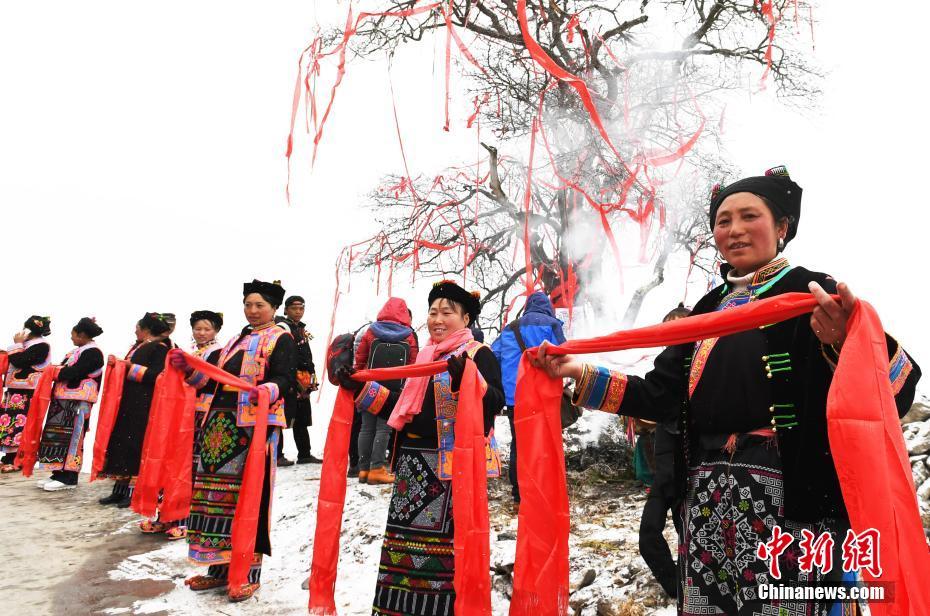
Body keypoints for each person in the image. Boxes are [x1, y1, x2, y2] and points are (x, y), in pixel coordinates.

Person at [532, 167, 922, 615]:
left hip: (794, 501)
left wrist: (842, 342)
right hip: (708, 499)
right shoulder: (708, 309)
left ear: (782, 227)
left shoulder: (814, 292)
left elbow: (897, 388)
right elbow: (660, 395)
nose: (733, 229)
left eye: (748, 216)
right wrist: (577, 370)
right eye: (723, 220)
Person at [339, 280, 504, 615]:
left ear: (467, 318)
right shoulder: (425, 356)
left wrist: (466, 381)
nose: (437, 319)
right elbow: (403, 409)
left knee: (442, 554)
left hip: (450, 472)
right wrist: (358, 388)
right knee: (401, 547)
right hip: (411, 469)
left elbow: (496, 403)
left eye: (447, 312)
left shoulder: (477, 354)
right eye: (432, 312)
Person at [174, 279, 295, 603]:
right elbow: (211, 381)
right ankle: (218, 568)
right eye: (248, 304)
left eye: (260, 305)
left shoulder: (281, 339)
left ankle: (248, 572)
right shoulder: (234, 341)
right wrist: (187, 371)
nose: (252, 311)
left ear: (273, 309)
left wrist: (268, 390)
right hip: (218, 428)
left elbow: (285, 379)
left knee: (249, 498)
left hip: (252, 430)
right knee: (216, 498)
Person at [139, 310, 225, 539]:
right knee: (171, 462)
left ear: (216, 330)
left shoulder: (219, 353)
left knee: (190, 466)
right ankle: (165, 515)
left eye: (207, 329)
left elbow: (208, 382)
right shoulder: (189, 352)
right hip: (181, 413)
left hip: (201, 415)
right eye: (198, 328)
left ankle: (187, 519)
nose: (201, 333)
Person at [490, 291, 566, 512]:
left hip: (516, 397)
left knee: (519, 445)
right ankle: (542, 493)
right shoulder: (552, 325)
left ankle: (519, 497)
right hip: (543, 395)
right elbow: (564, 353)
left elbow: (494, 354)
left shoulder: (510, 328)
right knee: (544, 444)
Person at [635, 303, 691, 599]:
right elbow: (646, 410)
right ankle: (678, 588)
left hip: (689, 479)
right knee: (648, 537)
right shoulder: (662, 373)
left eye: (679, 326)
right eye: (668, 326)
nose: (672, 333)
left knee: (692, 542)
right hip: (663, 477)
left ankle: (691, 588)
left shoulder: (701, 372)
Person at [97, 312, 171, 507]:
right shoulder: (139, 347)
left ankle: (133, 491)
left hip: (145, 402)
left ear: (146, 329)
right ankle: (119, 489)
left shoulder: (161, 349)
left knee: (136, 444)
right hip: (130, 400)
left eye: (138, 327)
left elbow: (157, 376)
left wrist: (129, 366)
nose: (135, 330)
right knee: (123, 442)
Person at [352, 297, 419, 484]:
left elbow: (360, 357)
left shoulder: (371, 331)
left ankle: (363, 470)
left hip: (369, 384)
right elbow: (413, 364)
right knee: (383, 429)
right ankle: (377, 468)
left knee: (366, 428)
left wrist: (359, 377)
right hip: (393, 389)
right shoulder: (409, 335)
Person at [36, 317, 105, 491]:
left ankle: (69, 476)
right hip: (64, 400)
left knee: (73, 436)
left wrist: (55, 370)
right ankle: (58, 472)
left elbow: (74, 372)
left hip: (78, 402)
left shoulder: (93, 353)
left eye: (73, 335)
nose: (72, 338)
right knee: (57, 436)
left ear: (82, 335)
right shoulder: (77, 351)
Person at [0, 316, 52, 473]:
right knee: (9, 423)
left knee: (22, 425)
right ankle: (8, 457)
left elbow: (20, 361)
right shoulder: (27, 345)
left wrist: (15, 345)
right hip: (15, 391)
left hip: (28, 393)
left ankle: (18, 459)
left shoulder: (42, 346)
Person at [275, 295, 321, 465]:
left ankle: (304, 454)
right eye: (294, 308)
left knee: (302, 417)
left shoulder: (300, 328)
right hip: (289, 379)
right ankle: (276, 455)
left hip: (303, 379)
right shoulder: (282, 327)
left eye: (301, 308)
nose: (298, 311)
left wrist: (311, 373)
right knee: (280, 417)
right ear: (286, 310)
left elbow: (306, 354)